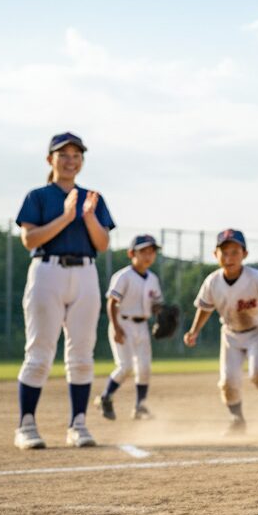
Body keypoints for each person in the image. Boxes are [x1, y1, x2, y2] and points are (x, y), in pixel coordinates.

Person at [14, 132, 116, 450]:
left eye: (76, 155)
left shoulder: (92, 198)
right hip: (48, 271)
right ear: (50, 160)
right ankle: (26, 425)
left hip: (85, 272)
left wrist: (86, 216)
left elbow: (101, 244)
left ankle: (78, 424)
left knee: (83, 353)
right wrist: (67, 217)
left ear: (81, 162)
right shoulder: (38, 196)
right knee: (40, 351)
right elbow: (30, 240)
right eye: (63, 155)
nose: (70, 160)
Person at [182, 229, 258, 434]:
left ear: (244, 254)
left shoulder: (256, 278)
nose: (229, 258)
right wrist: (194, 330)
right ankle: (237, 419)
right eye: (224, 252)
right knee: (228, 381)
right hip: (231, 334)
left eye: (235, 252)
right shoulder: (212, 282)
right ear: (215, 255)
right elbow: (205, 308)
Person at [95, 234, 163, 421]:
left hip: (142, 326)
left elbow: (156, 303)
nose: (148, 256)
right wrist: (116, 327)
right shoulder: (123, 276)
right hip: (122, 323)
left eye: (151, 252)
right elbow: (111, 303)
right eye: (144, 252)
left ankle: (140, 406)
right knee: (125, 366)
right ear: (132, 253)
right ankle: (105, 397)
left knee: (144, 368)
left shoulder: (152, 279)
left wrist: (161, 313)